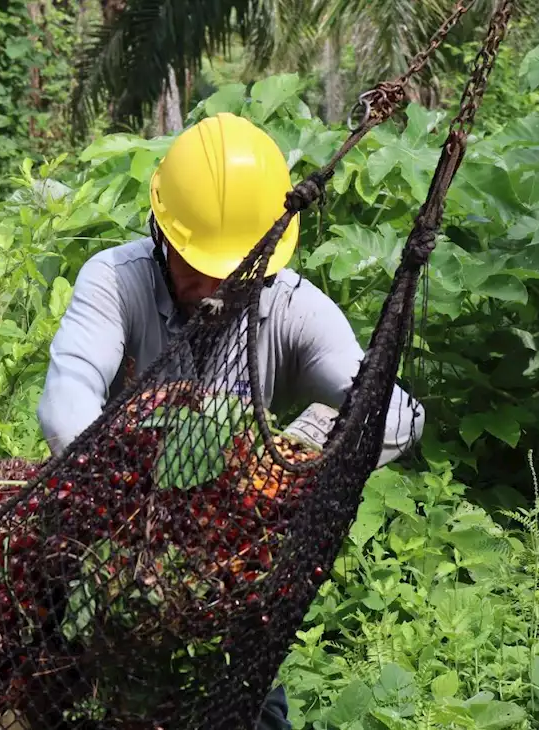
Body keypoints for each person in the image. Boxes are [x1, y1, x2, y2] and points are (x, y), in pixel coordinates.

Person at [35, 111, 426, 729]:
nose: (215, 282)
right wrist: (119, 487)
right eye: (197, 263)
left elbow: (396, 412)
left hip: (216, 586)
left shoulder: (292, 308)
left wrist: (292, 457)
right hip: (103, 553)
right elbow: (67, 397)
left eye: (235, 266)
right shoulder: (115, 281)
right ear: (161, 230)